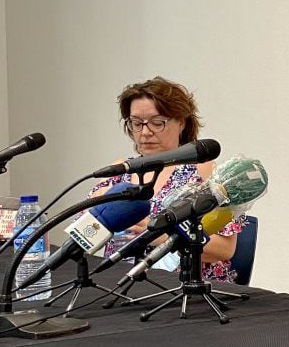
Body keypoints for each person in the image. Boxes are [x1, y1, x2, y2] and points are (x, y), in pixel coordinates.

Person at [89, 76, 244, 283]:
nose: (145, 132)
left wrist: (159, 236)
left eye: (156, 122)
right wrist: (96, 219)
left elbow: (224, 250)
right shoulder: (119, 173)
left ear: (181, 121)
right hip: (119, 285)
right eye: (136, 123)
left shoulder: (205, 175)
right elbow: (85, 238)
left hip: (186, 289)